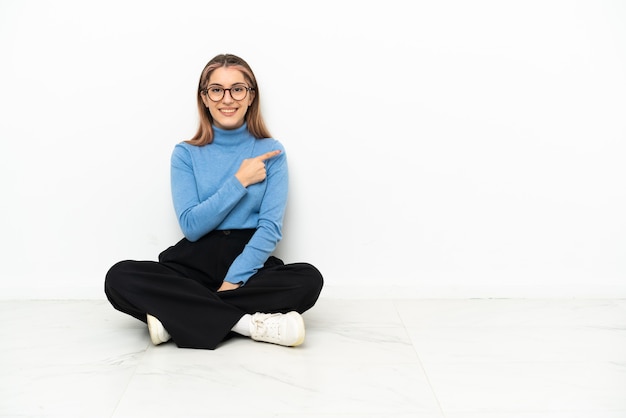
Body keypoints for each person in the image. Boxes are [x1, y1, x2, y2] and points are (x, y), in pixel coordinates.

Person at [104, 54, 323, 350]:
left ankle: (176, 317)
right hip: (195, 258)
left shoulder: (272, 152)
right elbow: (192, 227)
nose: (227, 99)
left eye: (238, 88)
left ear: (250, 96)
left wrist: (234, 279)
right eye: (216, 89)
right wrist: (239, 181)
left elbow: (270, 228)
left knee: (308, 279)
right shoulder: (185, 154)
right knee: (119, 277)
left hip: (249, 259)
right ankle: (247, 325)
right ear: (204, 98)